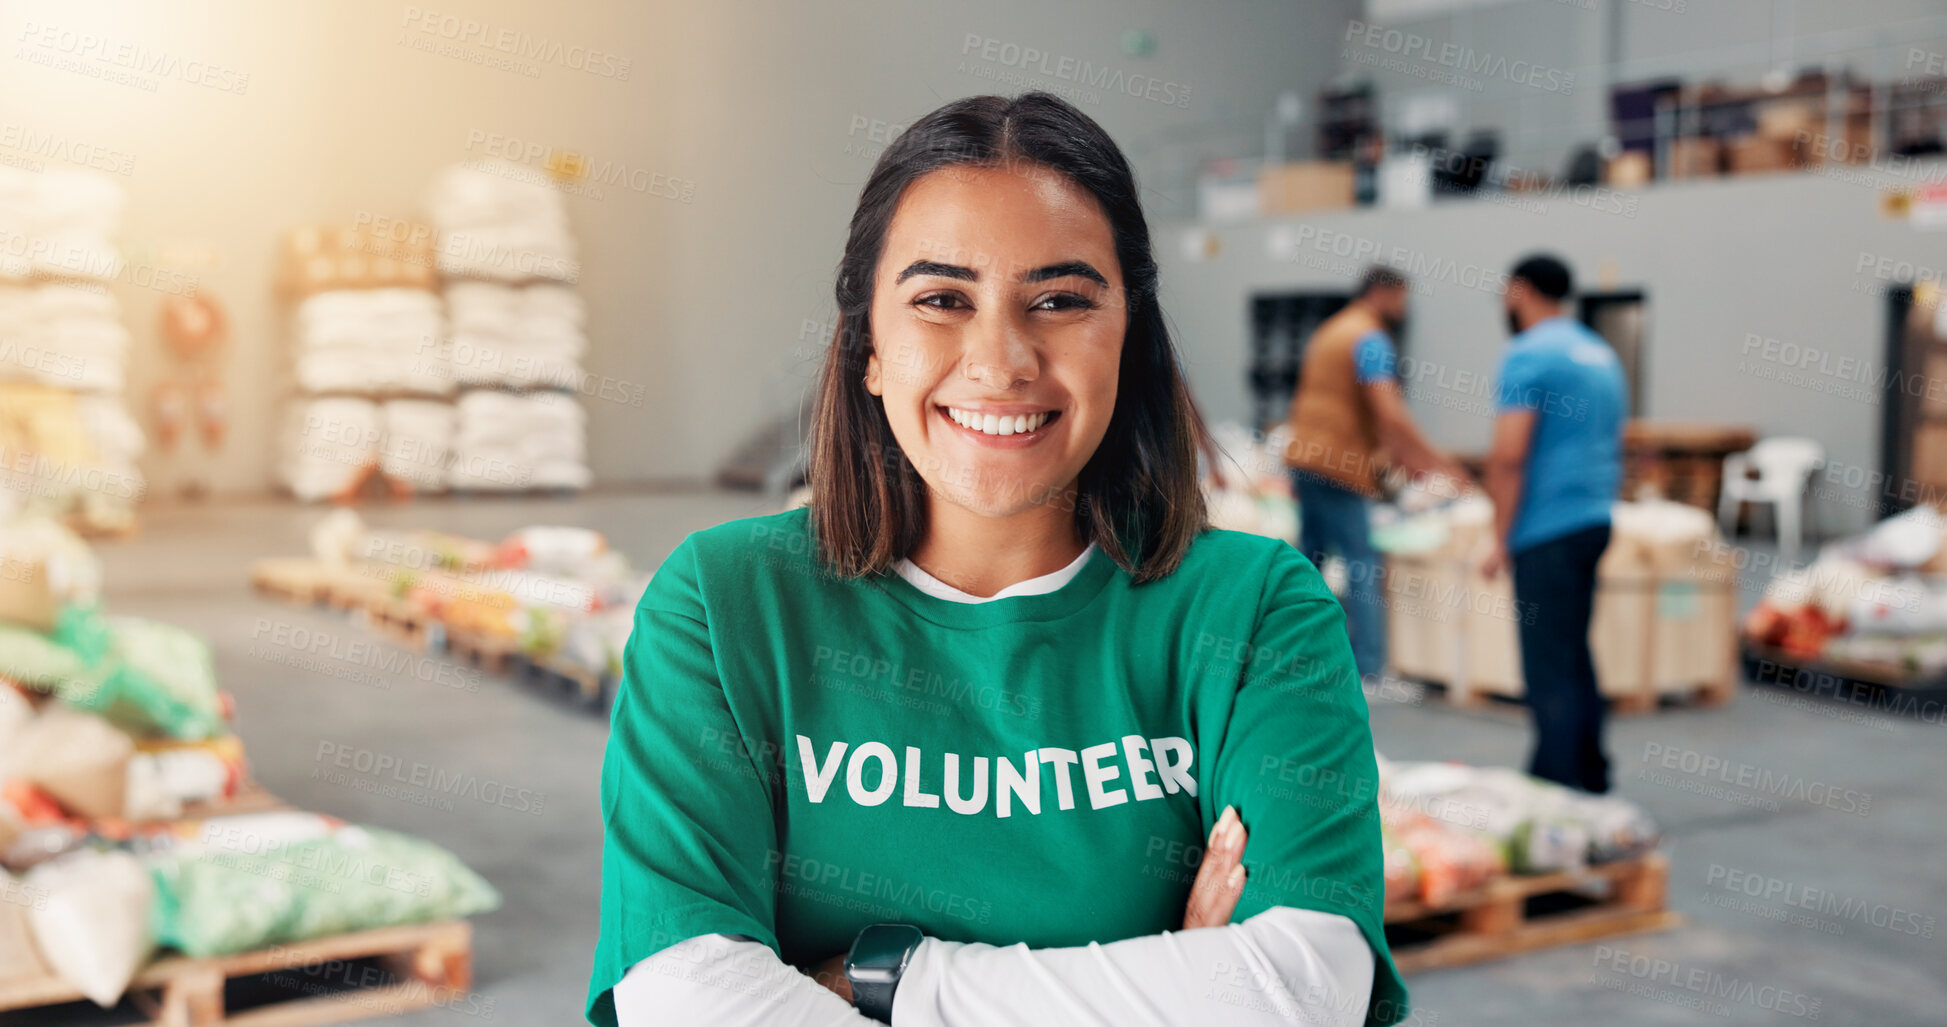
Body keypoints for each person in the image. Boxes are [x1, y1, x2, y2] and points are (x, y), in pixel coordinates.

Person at [587, 93, 1410, 1027]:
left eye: (1059, 300)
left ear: (1128, 335)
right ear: (867, 346)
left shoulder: (1254, 611)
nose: (1000, 359)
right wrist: (1170, 981)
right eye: (941, 300)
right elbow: (684, 992)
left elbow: (1301, 987)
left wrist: (882, 980)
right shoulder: (724, 603)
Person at [1480, 254, 1628, 795]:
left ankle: (1558, 784)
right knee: (1574, 649)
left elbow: (1509, 456)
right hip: (1594, 517)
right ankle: (1590, 769)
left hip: (1548, 526)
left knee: (1547, 661)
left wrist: (1499, 536)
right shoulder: (1599, 353)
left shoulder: (1527, 356)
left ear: (1519, 290)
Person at [1282, 267, 1465, 685]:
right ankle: (1372, 668)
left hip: (1306, 457)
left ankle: (1294, 657)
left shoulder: (1331, 330)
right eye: (1401, 299)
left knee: (1309, 562)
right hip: (1337, 465)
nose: (1403, 310)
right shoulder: (1369, 339)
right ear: (1382, 293)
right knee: (1363, 561)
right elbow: (1390, 413)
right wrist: (1441, 466)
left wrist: (1403, 458)